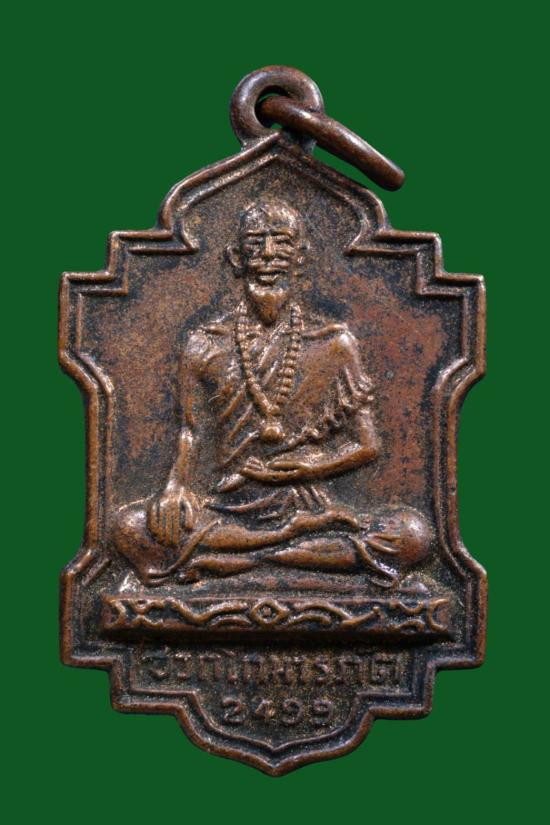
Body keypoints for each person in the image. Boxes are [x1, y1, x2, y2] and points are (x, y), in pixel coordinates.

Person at [113, 199, 431, 585]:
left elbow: (367, 446)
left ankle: (232, 561)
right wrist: (175, 487)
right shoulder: (204, 343)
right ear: (236, 258)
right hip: (227, 504)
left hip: (306, 501)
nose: (267, 255)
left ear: (301, 256)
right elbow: (190, 431)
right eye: (255, 243)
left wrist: (308, 468)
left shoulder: (334, 342)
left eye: (280, 243)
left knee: (412, 534)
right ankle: (287, 546)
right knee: (131, 528)